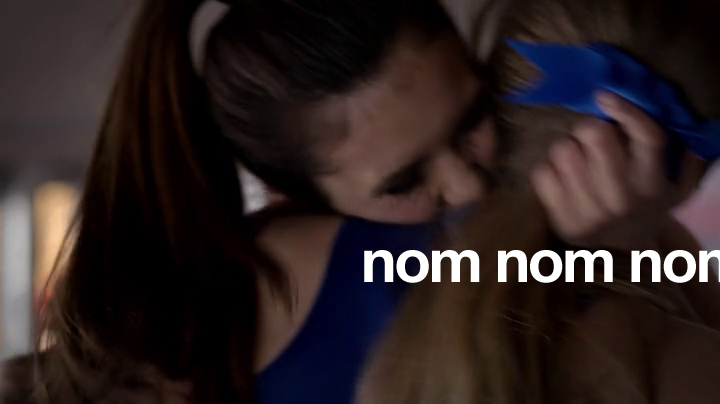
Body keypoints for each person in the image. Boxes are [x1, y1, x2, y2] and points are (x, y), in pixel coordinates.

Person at [0, 0, 696, 403]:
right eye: (404, 182)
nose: (468, 187)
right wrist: (631, 249)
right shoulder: (417, 280)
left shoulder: (221, 278)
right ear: (293, 193)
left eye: (472, 121)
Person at [358, 0, 720, 403]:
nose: (464, 189)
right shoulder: (687, 358)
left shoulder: (418, 339)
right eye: (405, 182)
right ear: (693, 168)